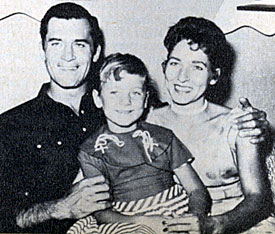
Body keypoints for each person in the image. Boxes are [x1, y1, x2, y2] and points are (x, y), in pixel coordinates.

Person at [146, 16, 274, 233]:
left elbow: (259, 200)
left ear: (214, 76)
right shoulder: (146, 122)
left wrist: (214, 225)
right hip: (171, 221)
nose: (182, 77)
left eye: (197, 67)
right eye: (175, 63)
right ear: (164, 67)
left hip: (235, 223)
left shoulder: (237, 124)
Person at [70, 53, 211, 234]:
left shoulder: (163, 137)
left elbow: (196, 190)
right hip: (123, 218)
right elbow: (101, 212)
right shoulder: (90, 151)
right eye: (114, 93)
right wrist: (143, 222)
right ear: (98, 99)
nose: (125, 101)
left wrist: (193, 217)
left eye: (135, 93)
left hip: (173, 209)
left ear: (145, 100)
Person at [0, 3, 111, 233]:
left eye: (79, 44)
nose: (68, 56)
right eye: (56, 43)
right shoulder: (10, 127)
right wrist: (59, 208)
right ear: (44, 50)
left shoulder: (121, 110)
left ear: (96, 51)